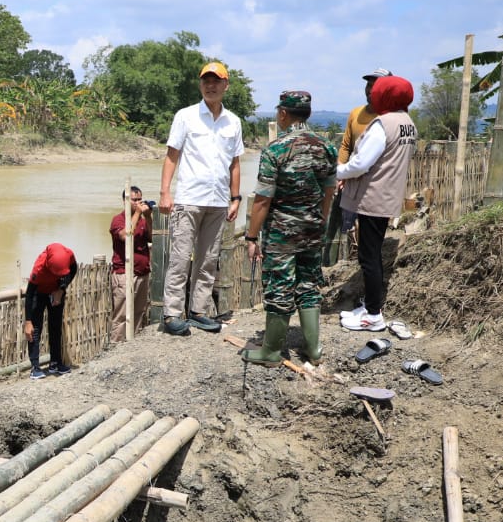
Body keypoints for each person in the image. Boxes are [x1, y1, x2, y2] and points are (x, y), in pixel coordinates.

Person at [241, 91, 337, 366]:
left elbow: (262, 200)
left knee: (279, 287)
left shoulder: (275, 150)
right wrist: (319, 222)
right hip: (313, 228)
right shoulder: (327, 148)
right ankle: (313, 349)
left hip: (282, 233)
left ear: (283, 113)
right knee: (308, 286)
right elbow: (328, 193)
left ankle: (271, 351)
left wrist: (251, 236)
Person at [159, 61, 246, 337]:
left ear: (225, 85)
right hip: (189, 199)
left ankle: (198, 311)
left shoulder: (233, 122)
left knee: (208, 260)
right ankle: (172, 314)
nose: (210, 86)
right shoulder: (185, 116)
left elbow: (235, 163)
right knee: (180, 258)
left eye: (216, 81)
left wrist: (235, 198)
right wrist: (165, 192)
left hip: (218, 201)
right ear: (200, 85)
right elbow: (172, 155)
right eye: (206, 81)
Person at [336, 75, 417, 333]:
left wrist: (336, 172)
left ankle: (373, 315)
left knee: (368, 256)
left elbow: (361, 163)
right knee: (373, 254)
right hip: (389, 195)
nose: (372, 95)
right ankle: (370, 306)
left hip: (373, 197)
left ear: (386, 96)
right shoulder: (407, 123)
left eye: (377, 92)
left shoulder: (383, 124)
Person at [324, 68, 392, 267]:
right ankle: (341, 264)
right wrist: (341, 172)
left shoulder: (389, 117)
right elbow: (346, 145)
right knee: (344, 224)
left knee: (370, 230)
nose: (370, 89)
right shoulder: (356, 113)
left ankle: (367, 266)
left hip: (375, 184)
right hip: (351, 178)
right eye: (368, 85)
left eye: (375, 85)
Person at [24, 243, 77, 379]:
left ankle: (55, 363)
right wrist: (28, 321)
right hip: (39, 294)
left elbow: (74, 270)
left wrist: (61, 289)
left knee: (55, 327)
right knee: (35, 329)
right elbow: (29, 294)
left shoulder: (69, 255)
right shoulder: (39, 268)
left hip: (56, 292)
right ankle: (35, 367)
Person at [110, 186, 152, 342]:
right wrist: (137, 214)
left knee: (138, 312)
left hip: (142, 274)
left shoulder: (142, 220)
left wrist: (148, 217)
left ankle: (132, 346)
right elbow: (126, 235)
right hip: (124, 274)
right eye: (134, 200)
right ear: (125, 201)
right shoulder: (118, 220)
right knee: (121, 315)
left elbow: (152, 237)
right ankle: (116, 346)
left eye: (140, 199)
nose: (138, 203)